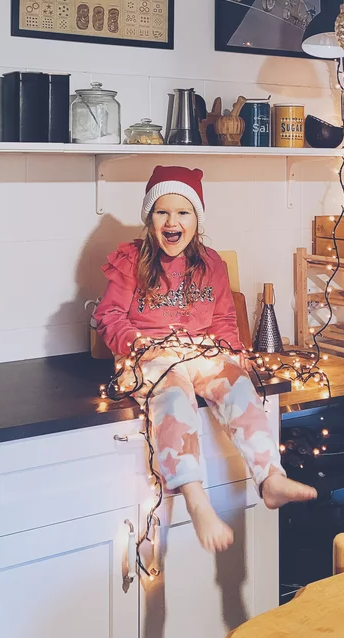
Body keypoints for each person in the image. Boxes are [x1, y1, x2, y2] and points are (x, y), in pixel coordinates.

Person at [95, 165, 316, 552]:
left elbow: (225, 319)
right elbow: (108, 316)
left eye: (183, 213)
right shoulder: (131, 260)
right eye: (163, 212)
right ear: (149, 218)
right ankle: (197, 501)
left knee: (238, 385)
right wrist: (138, 342)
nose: (172, 221)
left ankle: (270, 479)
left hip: (200, 351)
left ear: (196, 219)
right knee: (175, 397)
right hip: (148, 355)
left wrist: (232, 353)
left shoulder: (211, 263)